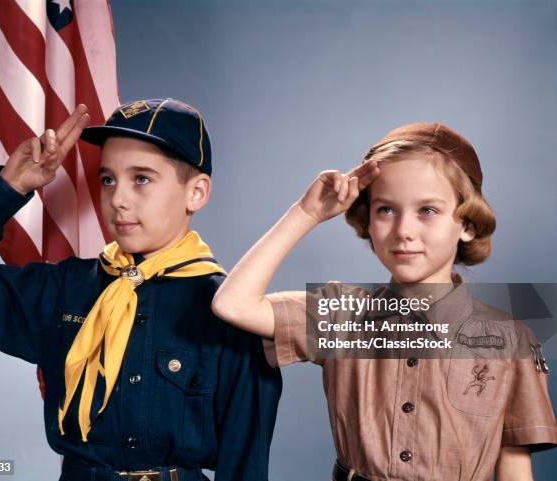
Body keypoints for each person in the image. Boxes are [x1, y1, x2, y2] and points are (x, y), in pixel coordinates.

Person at [0, 99, 281, 481]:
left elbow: (245, 467)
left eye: (142, 179)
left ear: (197, 192)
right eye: (108, 179)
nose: (117, 199)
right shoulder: (65, 289)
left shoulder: (230, 311)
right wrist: (7, 188)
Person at [212, 122, 557, 481]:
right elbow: (232, 304)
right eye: (386, 210)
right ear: (368, 221)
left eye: (427, 210)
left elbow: (515, 471)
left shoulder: (510, 340)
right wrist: (306, 213)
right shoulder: (341, 316)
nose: (404, 230)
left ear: (467, 224)